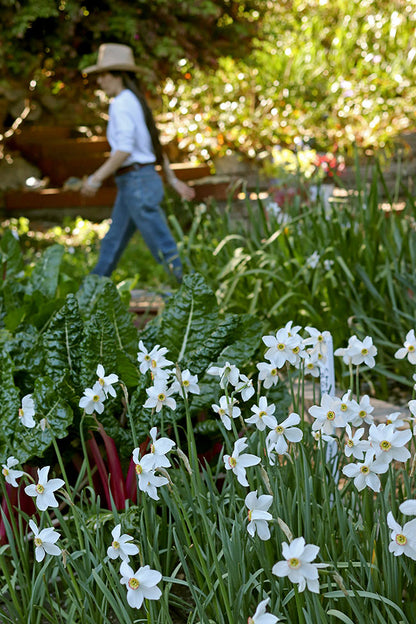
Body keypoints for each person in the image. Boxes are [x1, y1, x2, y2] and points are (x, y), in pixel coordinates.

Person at [80, 43, 195, 281]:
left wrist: (95, 179)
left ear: (118, 75)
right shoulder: (134, 100)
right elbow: (153, 144)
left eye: (103, 74)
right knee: (112, 244)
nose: (99, 81)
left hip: (137, 183)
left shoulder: (122, 103)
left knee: (164, 247)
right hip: (136, 183)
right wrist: (171, 180)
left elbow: (124, 149)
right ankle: (87, 297)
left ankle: (194, 295)